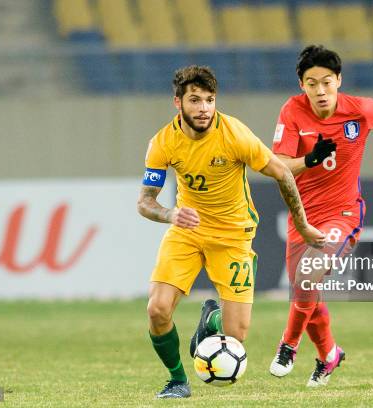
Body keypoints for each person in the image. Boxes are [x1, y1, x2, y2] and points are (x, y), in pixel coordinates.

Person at [137, 65, 325, 399]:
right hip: (187, 233)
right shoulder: (163, 142)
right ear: (177, 102)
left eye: (209, 100)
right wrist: (170, 214)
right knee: (157, 309)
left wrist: (302, 223)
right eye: (195, 100)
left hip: (233, 236)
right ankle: (177, 380)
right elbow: (145, 202)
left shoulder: (234, 134)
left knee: (235, 333)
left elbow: (283, 173)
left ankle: (211, 321)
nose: (204, 108)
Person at [269, 45, 373, 386]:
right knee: (306, 294)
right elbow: (277, 166)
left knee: (306, 279)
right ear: (301, 85)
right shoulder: (292, 112)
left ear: (338, 80)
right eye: (311, 84)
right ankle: (329, 356)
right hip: (302, 218)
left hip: (343, 213)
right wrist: (308, 161)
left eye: (326, 82)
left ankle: (287, 346)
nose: (320, 91)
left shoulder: (360, 110)